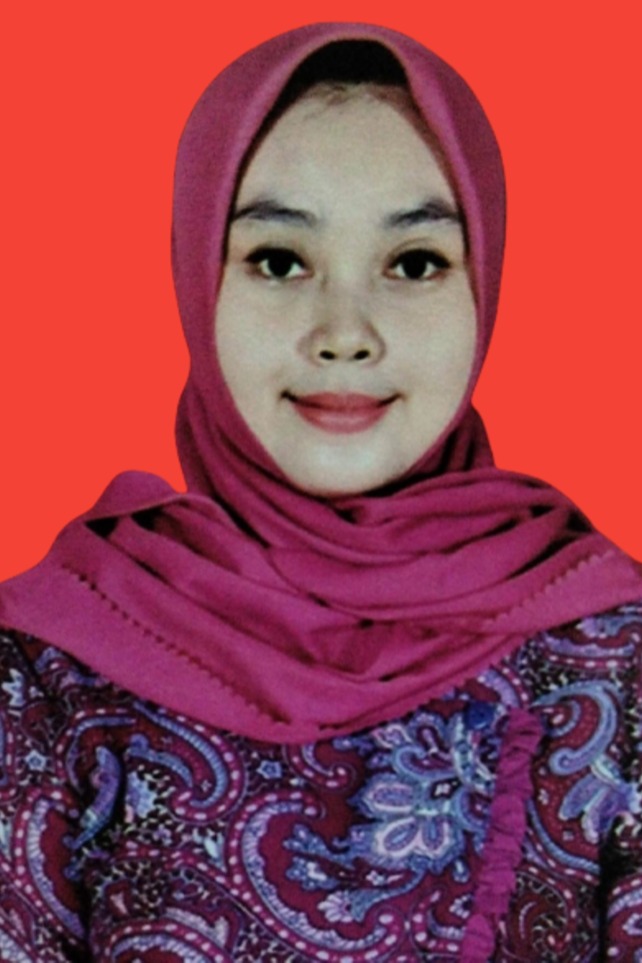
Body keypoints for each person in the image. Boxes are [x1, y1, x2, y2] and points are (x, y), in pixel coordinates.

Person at [1, 21, 641, 962]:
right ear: (197, 277)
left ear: (484, 285)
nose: (345, 332)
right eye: (278, 260)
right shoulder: (48, 673)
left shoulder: (614, 660)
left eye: (414, 263)